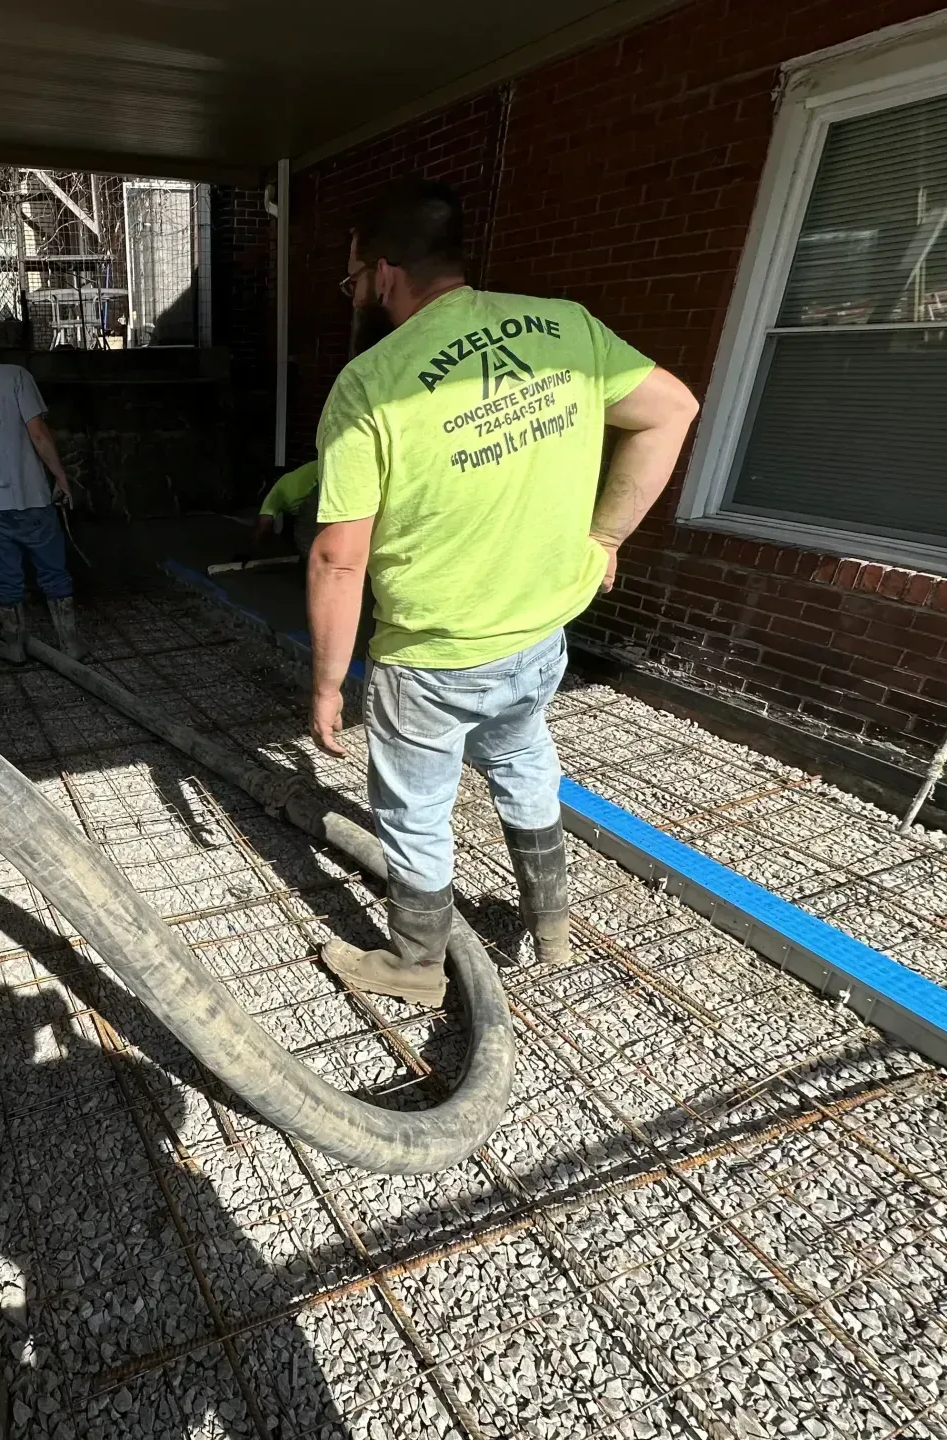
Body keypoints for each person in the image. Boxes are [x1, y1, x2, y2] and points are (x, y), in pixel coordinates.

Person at [307, 179, 699, 1004]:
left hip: (433, 654)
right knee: (523, 759)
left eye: (353, 281)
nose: (358, 295)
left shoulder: (371, 382)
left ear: (383, 274)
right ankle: (550, 928)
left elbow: (340, 558)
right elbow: (672, 409)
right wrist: (607, 538)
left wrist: (326, 684)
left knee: (415, 811)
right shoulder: (565, 327)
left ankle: (414, 965)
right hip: (538, 636)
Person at [0, 323, 84, 662]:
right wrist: (61, 477)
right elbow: (38, 434)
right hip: (33, 498)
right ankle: (70, 646)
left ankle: (14, 648)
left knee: (7, 579)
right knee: (52, 572)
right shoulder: (15, 376)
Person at [247, 457, 320, 555]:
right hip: (333, 469)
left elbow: (262, 526)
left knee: (304, 539)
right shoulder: (292, 477)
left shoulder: (274, 494)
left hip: (324, 483)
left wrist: (249, 550)